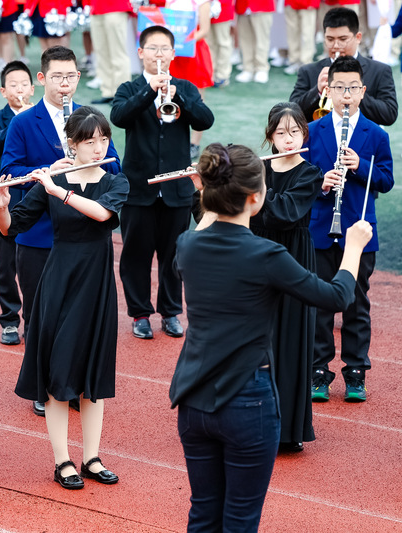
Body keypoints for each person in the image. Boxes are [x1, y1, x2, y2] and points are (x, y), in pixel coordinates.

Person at [170, 142, 372, 532]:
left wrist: (205, 190)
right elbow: (336, 296)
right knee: (241, 521)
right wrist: (354, 248)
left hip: (193, 400)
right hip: (246, 402)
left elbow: (209, 224)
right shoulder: (266, 255)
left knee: (203, 515)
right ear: (255, 198)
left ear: (209, 192)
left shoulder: (187, 245)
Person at [0, 106, 128, 491]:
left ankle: (92, 456)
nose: (99, 147)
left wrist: (59, 190)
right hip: (60, 280)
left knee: (93, 372)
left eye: (103, 139)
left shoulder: (115, 181)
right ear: (72, 144)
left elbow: (102, 214)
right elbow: (11, 228)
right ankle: (62, 460)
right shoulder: (51, 181)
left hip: (97, 283)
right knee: (57, 371)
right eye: (90, 142)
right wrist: (3, 206)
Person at [0, 45, 121, 415]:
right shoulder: (23, 121)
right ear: (43, 78)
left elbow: (114, 173)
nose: (64, 83)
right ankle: (44, 384)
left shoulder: (91, 122)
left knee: (81, 318)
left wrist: (86, 169)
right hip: (39, 236)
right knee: (41, 315)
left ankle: (73, 383)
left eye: (70, 76)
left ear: (78, 77)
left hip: (83, 237)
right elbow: (9, 168)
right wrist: (51, 171)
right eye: (57, 77)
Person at [109, 25, 214, 341]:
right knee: (136, 256)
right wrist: (149, 92)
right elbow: (119, 117)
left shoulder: (185, 87)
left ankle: (170, 313)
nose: (158, 54)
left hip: (176, 190)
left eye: (164, 48)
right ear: (141, 53)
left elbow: (204, 120)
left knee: (174, 257)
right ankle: (140, 314)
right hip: (138, 190)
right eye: (152, 48)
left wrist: (175, 94)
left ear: (173, 53)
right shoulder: (129, 89)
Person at [303, 56, 394, 403]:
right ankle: (318, 371)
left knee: (357, 304)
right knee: (320, 305)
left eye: (352, 88)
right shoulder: (313, 131)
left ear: (363, 91)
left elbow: (385, 181)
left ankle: (356, 372)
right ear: (327, 89)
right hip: (322, 229)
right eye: (339, 87)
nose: (345, 94)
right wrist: (322, 183)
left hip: (359, 229)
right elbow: (301, 178)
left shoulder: (376, 134)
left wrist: (361, 165)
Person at [249, 102, 322, 452]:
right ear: (270, 136)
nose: (288, 138)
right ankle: (252, 423)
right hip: (258, 256)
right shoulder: (258, 170)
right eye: (281, 132)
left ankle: (288, 429)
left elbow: (284, 213)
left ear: (304, 134)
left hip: (294, 258)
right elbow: (244, 212)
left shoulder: (310, 173)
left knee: (290, 339)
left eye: (295, 131)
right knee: (256, 338)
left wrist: (253, 190)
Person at [0, 60, 35, 346]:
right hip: (4, 200)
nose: (19, 89)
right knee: (6, 266)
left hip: (36, 199)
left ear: (32, 87)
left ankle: (33, 318)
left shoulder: (42, 115)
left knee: (34, 263)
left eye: (23, 84)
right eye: (12, 85)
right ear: (3, 91)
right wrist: (21, 120)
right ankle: (9, 320)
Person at [289, 7, 398, 126]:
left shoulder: (380, 70)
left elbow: (389, 115)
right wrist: (317, 90)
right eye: (330, 39)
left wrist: (355, 91)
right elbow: (292, 114)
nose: (335, 45)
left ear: (358, 38)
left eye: (343, 39)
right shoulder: (308, 71)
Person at [166, 0, 214, 158]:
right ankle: (173, 138)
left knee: (197, 99)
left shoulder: (202, 2)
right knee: (170, 95)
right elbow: (166, 23)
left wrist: (184, 41)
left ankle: (195, 143)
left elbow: (205, 30)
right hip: (175, 54)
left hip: (194, 53)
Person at [86, 0, 132, 105]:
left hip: (116, 7)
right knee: (101, 53)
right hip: (96, 8)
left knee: (118, 53)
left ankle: (121, 94)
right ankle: (108, 92)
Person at [233, 0, 274, 83]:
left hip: (261, 6)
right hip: (242, 6)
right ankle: (248, 68)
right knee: (245, 40)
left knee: (261, 40)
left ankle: (261, 68)